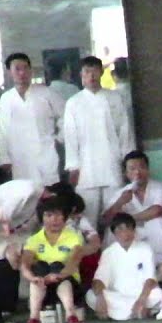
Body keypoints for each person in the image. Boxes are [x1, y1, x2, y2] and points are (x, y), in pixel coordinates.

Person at [63, 55, 133, 225]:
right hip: (86, 168)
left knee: (115, 215)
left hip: (112, 162)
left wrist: (127, 161)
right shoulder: (74, 103)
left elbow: (124, 131)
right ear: (81, 74)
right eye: (87, 71)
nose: (91, 76)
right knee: (87, 218)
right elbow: (70, 137)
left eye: (95, 71)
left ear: (102, 72)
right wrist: (73, 167)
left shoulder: (115, 97)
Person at [19, 195, 85, 323]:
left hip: (69, 285)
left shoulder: (74, 237)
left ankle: (71, 315)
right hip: (43, 286)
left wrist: (58, 275)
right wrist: (33, 278)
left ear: (64, 217)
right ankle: (34, 319)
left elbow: (73, 263)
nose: (54, 219)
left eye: (58, 215)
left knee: (57, 265)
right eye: (49, 215)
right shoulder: (34, 240)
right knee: (39, 268)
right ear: (42, 218)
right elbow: (25, 264)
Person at [0, 52, 64, 185]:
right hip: (19, 156)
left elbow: (66, 117)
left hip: (45, 152)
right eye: (17, 69)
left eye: (25, 68)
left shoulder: (46, 93)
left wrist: (59, 139)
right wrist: (4, 158)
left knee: (50, 191)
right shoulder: (6, 99)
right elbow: (3, 131)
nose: (22, 73)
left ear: (30, 70)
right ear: (9, 72)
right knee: (24, 192)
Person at [89, 213, 161, 321]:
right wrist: (100, 299)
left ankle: (121, 312)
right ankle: (140, 311)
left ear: (134, 231)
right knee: (91, 295)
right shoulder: (108, 253)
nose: (125, 233)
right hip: (116, 295)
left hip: (140, 294)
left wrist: (141, 300)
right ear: (114, 233)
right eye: (120, 229)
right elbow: (99, 280)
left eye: (128, 229)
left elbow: (150, 279)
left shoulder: (145, 248)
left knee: (158, 294)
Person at [102, 150, 162, 263]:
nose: (137, 172)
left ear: (148, 169)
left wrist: (129, 220)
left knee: (157, 221)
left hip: (153, 230)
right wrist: (120, 202)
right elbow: (106, 219)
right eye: (132, 169)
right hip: (131, 231)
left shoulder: (159, 187)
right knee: (113, 230)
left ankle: (159, 262)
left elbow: (157, 210)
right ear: (126, 173)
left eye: (141, 167)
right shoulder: (121, 193)